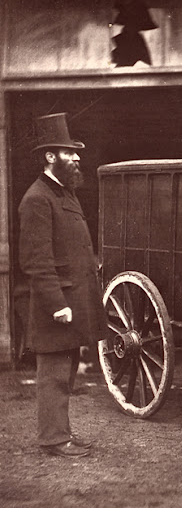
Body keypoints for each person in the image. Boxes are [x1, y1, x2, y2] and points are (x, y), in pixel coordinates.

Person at [18, 112, 107, 458]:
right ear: (49, 156)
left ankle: (61, 432)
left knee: (66, 371)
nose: (76, 158)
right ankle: (53, 439)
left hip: (75, 299)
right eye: (68, 152)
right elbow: (36, 261)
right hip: (57, 304)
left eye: (75, 152)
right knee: (54, 373)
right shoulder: (37, 199)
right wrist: (57, 305)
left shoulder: (65, 194)